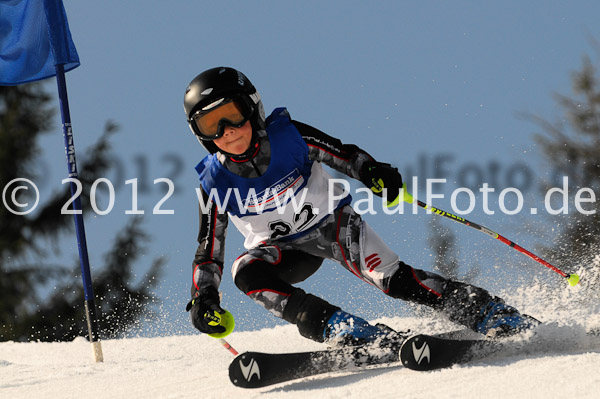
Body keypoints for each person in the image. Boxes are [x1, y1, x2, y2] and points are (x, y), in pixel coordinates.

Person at [184, 66, 537, 347]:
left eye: (232, 114)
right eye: (211, 125)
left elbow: (345, 155)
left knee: (390, 279)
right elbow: (208, 251)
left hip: (333, 227)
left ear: (251, 107)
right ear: (201, 135)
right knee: (244, 271)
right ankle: (341, 329)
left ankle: (487, 311)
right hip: (281, 252)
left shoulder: (289, 137)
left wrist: (372, 172)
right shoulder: (214, 183)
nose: (227, 130)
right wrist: (204, 298)